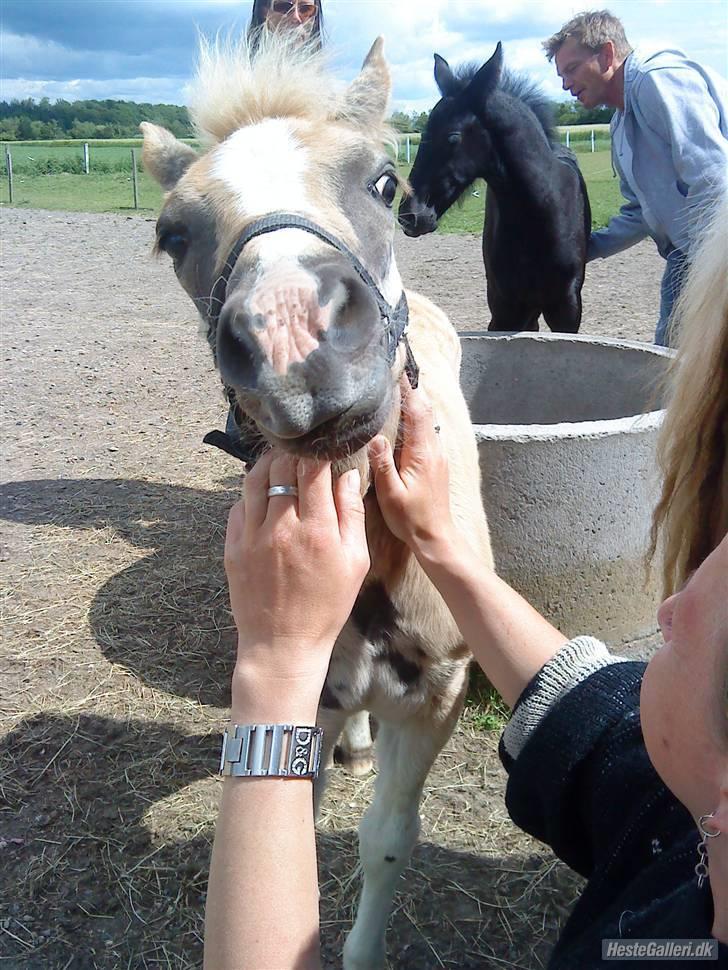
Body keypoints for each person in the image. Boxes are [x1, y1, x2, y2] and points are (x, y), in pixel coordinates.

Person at [203, 194, 728, 968]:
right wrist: (442, 545)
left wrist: (275, 673)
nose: (669, 611)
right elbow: (584, 701)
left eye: (701, 626)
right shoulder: (678, 826)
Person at [542, 9, 728, 347]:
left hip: (712, 252)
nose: (565, 84)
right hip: (687, 253)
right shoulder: (620, 125)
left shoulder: (658, 79)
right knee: (670, 357)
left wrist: (711, 272)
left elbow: (714, 177)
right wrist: (580, 249)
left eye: (572, 69)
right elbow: (638, 212)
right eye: (561, 75)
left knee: (678, 360)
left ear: (608, 54)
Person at [247, 0, 324, 53]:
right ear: (263, 12)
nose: (295, 17)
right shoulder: (243, 74)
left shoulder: (324, 75)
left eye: (306, 9)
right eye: (284, 7)